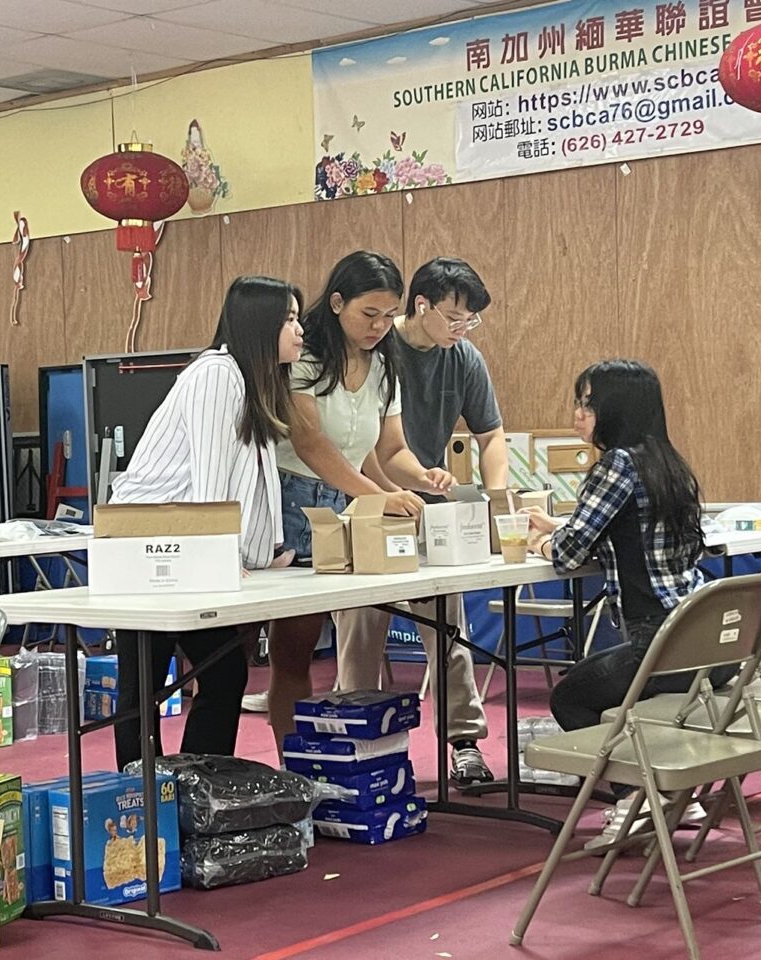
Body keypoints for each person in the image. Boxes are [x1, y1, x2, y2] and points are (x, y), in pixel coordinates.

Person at [109, 276, 303, 770]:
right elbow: (211, 477)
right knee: (145, 684)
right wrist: (219, 553)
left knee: (223, 674)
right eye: (289, 319)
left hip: (184, 545)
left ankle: (199, 784)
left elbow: (252, 480)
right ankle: (140, 792)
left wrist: (262, 552)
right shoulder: (217, 374)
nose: (300, 330)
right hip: (146, 543)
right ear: (259, 325)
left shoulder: (252, 382)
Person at [265, 251, 451, 756]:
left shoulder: (384, 365)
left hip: (342, 504)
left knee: (321, 639)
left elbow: (386, 449)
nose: (379, 326)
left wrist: (418, 480)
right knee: (285, 651)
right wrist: (380, 495)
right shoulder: (303, 357)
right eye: (369, 314)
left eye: (388, 315)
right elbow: (311, 444)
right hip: (288, 500)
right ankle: (285, 765)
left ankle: (322, 761)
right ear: (337, 303)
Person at [525, 359, 717, 842]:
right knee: (607, 688)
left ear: (618, 411)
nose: (577, 415)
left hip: (662, 645)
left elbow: (569, 555)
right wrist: (563, 527)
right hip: (706, 643)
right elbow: (626, 528)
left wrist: (544, 542)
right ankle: (671, 789)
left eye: (589, 405)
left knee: (571, 697)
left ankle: (638, 797)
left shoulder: (617, 465)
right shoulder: (669, 463)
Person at [333, 257, 502, 789]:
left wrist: (497, 497)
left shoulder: (464, 358)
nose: (462, 328)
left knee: (447, 625)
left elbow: (490, 434)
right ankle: (355, 744)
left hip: (425, 508)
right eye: (454, 318)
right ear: (422, 305)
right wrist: (386, 494)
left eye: (470, 321)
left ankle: (464, 742)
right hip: (367, 503)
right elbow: (365, 447)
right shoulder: (377, 351)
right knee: (360, 625)